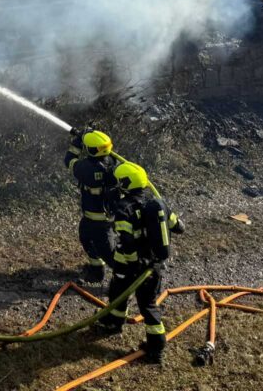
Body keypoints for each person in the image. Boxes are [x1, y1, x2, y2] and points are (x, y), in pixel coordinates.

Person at [96, 161, 184, 364]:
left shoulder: (124, 209)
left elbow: (126, 242)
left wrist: (133, 265)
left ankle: (117, 324)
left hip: (129, 265)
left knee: (118, 292)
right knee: (148, 304)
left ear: (126, 184)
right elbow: (179, 227)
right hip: (152, 267)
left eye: (120, 182)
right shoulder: (157, 204)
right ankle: (155, 346)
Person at [64, 128, 118, 283]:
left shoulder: (86, 168)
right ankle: (96, 269)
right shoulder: (113, 162)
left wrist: (78, 141)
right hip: (99, 217)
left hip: (99, 221)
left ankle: (128, 277)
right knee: (86, 238)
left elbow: (69, 160)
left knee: (109, 252)